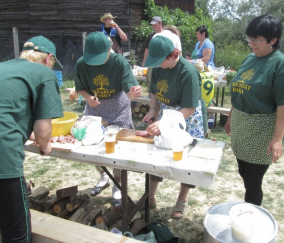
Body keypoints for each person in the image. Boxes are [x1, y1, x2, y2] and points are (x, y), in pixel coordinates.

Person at [225, 14, 284, 206]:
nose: (252, 44)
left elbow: (283, 104)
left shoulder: (281, 64)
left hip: (261, 130)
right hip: (242, 126)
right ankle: (249, 210)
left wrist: (277, 138)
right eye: (250, 39)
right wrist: (230, 117)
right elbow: (240, 89)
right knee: (243, 171)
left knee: (253, 181)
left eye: (257, 40)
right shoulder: (250, 58)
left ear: (273, 40)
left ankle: (251, 214)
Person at [0, 36, 64, 242]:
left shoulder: (0, 68)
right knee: (16, 233)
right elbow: (44, 131)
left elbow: (8, 111)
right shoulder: (44, 73)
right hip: (1, 157)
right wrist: (45, 145)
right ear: (48, 59)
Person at [74, 31, 142, 205]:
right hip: (95, 110)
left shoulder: (118, 62)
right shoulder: (82, 63)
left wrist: (133, 93)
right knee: (93, 146)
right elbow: (80, 88)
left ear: (109, 48)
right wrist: (88, 97)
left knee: (118, 150)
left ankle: (117, 186)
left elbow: (129, 90)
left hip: (118, 108)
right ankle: (104, 176)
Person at [142, 35, 206, 219]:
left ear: (172, 55)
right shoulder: (157, 68)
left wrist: (165, 123)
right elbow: (154, 91)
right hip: (165, 114)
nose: (156, 64)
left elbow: (191, 107)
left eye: (159, 60)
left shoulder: (188, 72)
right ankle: (151, 195)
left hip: (186, 118)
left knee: (185, 162)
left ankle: (182, 199)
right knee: (157, 156)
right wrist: (153, 110)